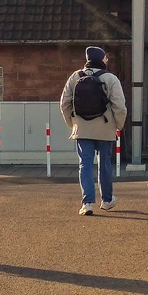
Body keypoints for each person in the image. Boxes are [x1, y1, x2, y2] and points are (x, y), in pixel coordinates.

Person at [61, 46, 128, 216]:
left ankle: (87, 203)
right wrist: (118, 125)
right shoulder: (110, 79)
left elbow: (64, 104)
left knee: (85, 164)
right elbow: (119, 106)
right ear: (102, 59)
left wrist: (73, 124)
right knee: (104, 164)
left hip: (82, 128)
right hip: (105, 128)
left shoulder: (75, 77)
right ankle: (106, 200)